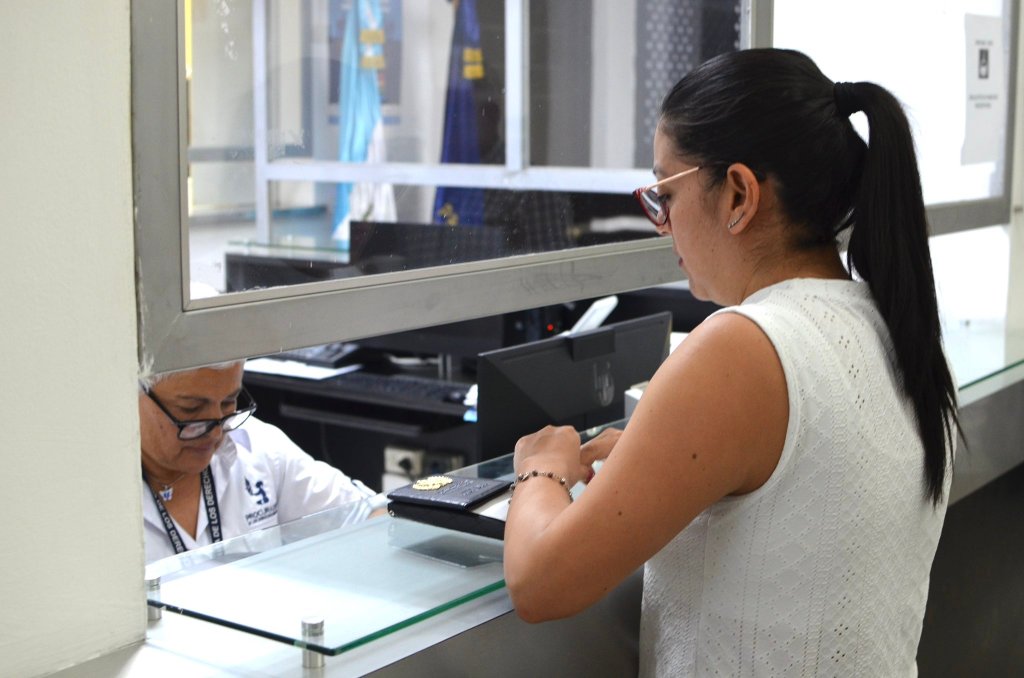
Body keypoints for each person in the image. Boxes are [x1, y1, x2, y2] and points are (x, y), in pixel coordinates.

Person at [503, 48, 960, 676]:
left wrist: (541, 471)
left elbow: (540, 584)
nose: (662, 225)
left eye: (665, 193)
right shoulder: (891, 328)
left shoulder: (742, 345)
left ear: (739, 194)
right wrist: (661, 453)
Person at [139, 360, 384, 564]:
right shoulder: (102, 495)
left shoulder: (258, 448)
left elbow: (368, 515)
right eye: (190, 410)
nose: (215, 433)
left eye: (228, 403)